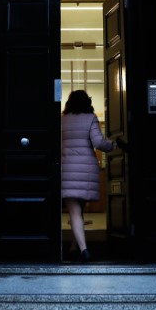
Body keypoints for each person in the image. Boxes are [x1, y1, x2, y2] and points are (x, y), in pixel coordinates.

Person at [61, 89, 121, 263]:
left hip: (68, 168)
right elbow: (98, 143)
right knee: (79, 211)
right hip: (86, 169)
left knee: (74, 212)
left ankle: (81, 249)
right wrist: (114, 144)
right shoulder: (91, 118)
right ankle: (79, 248)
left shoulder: (62, 120)